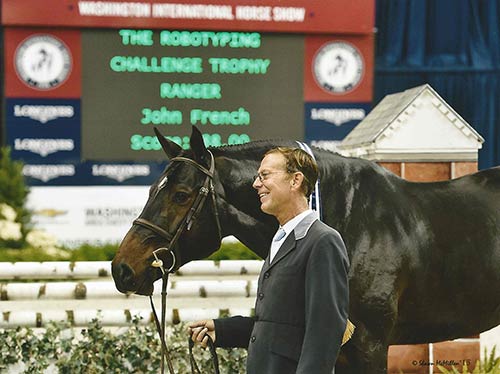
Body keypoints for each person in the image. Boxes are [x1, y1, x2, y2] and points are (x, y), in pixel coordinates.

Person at [188, 147, 350, 373]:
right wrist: (222, 330)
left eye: (264, 175)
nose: (255, 183)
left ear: (295, 181)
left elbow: (325, 330)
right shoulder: (280, 239)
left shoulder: (323, 241)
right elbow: (278, 325)